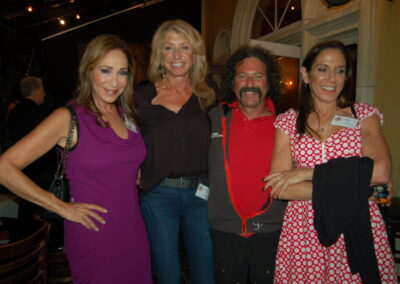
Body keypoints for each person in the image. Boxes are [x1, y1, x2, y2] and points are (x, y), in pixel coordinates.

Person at [0, 34, 152, 284]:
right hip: (95, 233)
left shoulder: (126, 113)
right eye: (106, 70)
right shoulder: (68, 117)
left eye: (122, 72)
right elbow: (5, 167)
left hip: (133, 228)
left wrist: (132, 169)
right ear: (88, 70)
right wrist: (58, 206)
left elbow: (122, 158)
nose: (114, 82)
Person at [263, 40, 397, 283]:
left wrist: (308, 172)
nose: (332, 79)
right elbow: (279, 187)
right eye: (323, 69)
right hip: (305, 230)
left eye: (340, 70)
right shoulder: (288, 122)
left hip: (355, 225)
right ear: (306, 74)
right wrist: (358, 189)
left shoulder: (364, 116)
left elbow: (381, 172)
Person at [135, 19, 215, 284]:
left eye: (185, 47)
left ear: (195, 54)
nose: (177, 56)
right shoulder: (141, 96)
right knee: (167, 272)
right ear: (159, 54)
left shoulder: (209, 95)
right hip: (158, 195)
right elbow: (122, 138)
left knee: (206, 272)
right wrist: (131, 166)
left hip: (201, 196)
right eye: (169, 48)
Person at [207, 46, 287, 284]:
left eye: (258, 76)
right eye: (242, 76)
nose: (250, 83)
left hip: (271, 231)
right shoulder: (214, 117)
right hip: (224, 230)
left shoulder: (286, 123)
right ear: (232, 83)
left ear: (269, 82)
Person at [5, 76, 56, 219]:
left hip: (21, 171)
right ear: (36, 90)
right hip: (43, 172)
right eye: (43, 90)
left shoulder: (14, 112)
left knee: (25, 212)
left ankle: (23, 238)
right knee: (50, 213)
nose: (44, 94)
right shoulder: (44, 114)